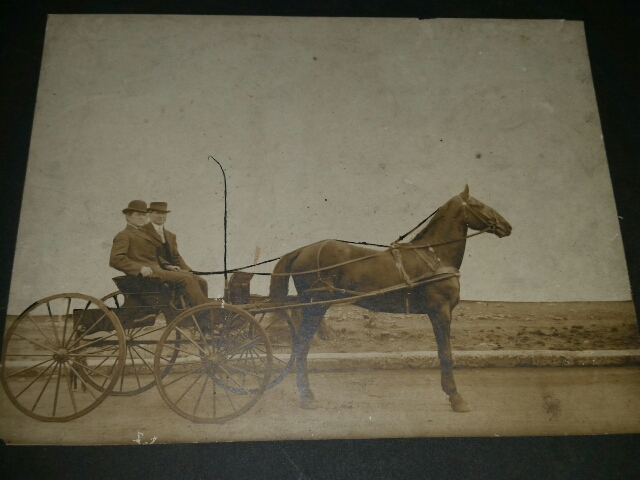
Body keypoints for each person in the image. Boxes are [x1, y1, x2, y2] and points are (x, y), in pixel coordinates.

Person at [109, 200, 210, 308]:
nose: (142, 218)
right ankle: (205, 310)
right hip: (148, 276)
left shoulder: (141, 233)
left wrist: (168, 266)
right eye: (138, 215)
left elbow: (154, 255)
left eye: (144, 215)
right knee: (186, 279)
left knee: (199, 280)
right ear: (128, 217)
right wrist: (140, 268)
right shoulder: (124, 235)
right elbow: (116, 259)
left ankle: (200, 312)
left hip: (157, 271)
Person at [141, 201, 209, 297]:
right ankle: (201, 306)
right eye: (157, 213)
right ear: (149, 214)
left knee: (201, 282)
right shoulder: (142, 231)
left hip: (172, 271)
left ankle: (201, 306)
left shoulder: (170, 235)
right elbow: (150, 255)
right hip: (156, 271)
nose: (161, 216)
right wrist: (168, 266)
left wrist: (190, 271)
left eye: (163, 213)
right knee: (188, 280)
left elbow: (176, 257)